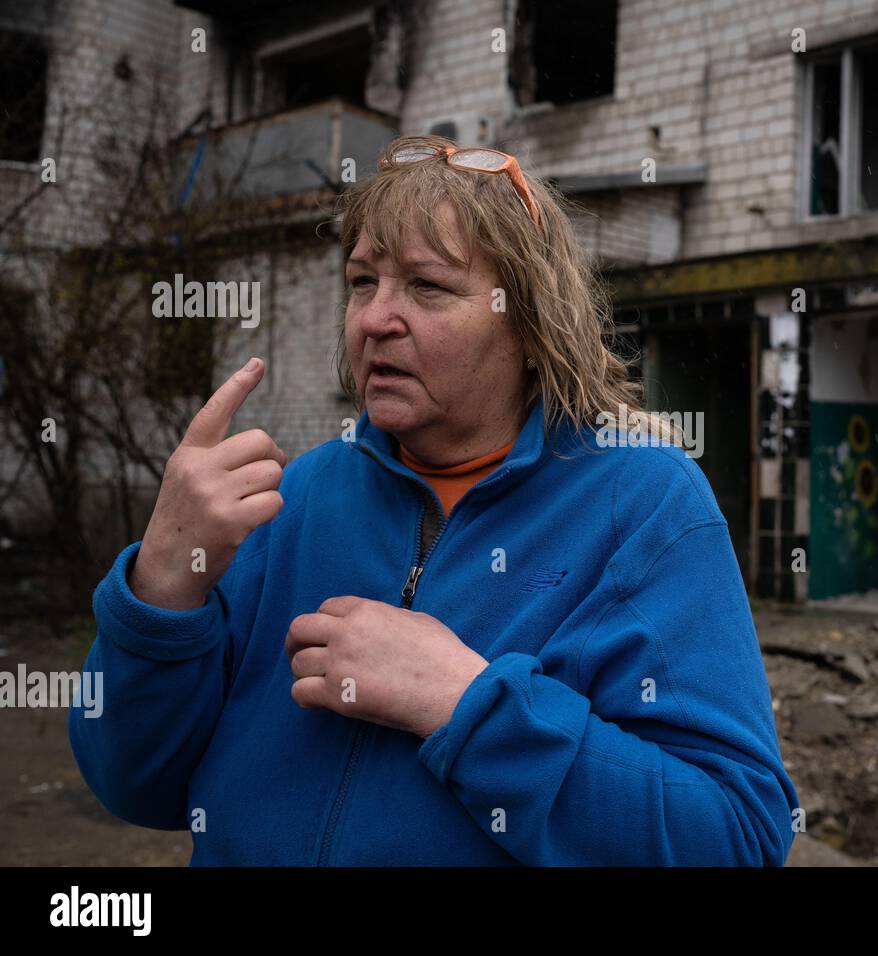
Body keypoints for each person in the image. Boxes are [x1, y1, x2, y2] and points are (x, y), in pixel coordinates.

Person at [69, 135, 799, 865]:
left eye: (428, 287)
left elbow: (737, 837)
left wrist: (466, 704)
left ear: (532, 324)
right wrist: (162, 585)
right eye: (362, 281)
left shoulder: (643, 504)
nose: (374, 319)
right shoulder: (291, 498)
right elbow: (135, 785)